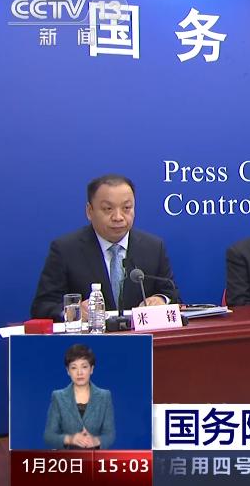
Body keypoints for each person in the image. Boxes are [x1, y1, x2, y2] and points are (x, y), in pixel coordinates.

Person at [31, 175, 179, 321]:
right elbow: (42, 307)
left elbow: (173, 296)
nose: (118, 217)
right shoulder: (66, 249)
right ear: (89, 211)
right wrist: (72, 312)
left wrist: (161, 300)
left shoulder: (153, 247)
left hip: (142, 336)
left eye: (126, 208)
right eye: (108, 209)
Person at [44, 344, 115, 449]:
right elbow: (49, 436)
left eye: (84, 367)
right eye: (74, 367)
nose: (79, 373)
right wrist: (70, 439)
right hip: (67, 458)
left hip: (94, 457)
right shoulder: (58, 397)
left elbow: (110, 435)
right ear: (68, 371)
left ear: (91, 369)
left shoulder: (105, 396)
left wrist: (95, 441)